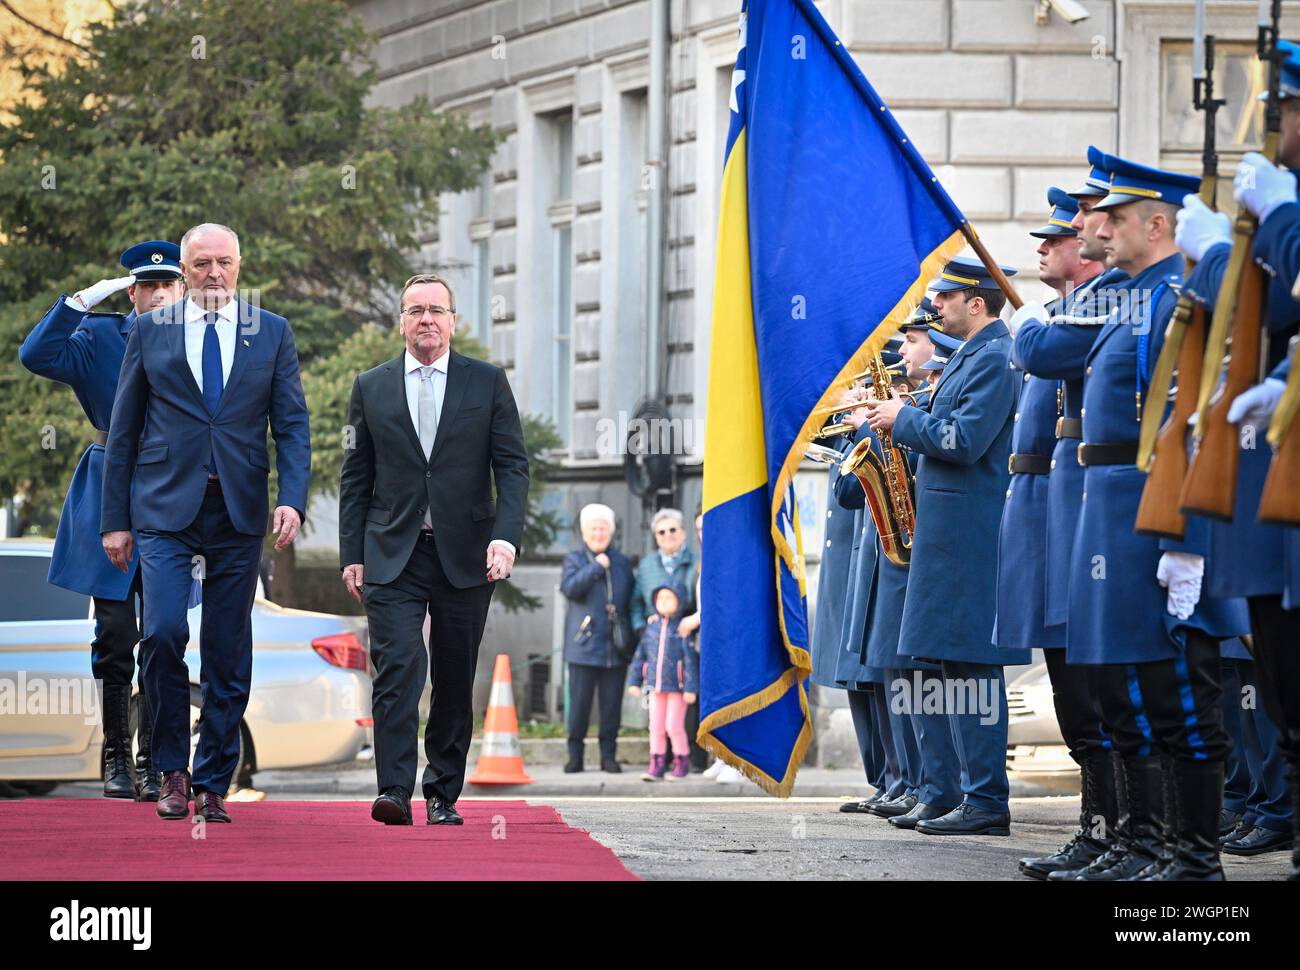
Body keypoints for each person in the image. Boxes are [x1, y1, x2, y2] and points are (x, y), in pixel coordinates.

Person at [1044, 157, 1250, 881]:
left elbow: (1186, 416)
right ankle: (1144, 846)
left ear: (1158, 224)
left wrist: (1187, 533)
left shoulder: (1170, 296)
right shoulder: (1131, 296)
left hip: (1148, 508)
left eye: (1117, 217)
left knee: (1170, 689)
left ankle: (1190, 859)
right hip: (1115, 504)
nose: (1100, 226)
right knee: (1119, 686)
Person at [101, 224, 311, 823]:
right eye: (201, 264)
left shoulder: (270, 333)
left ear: (239, 266)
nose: (213, 273)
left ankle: (213, 780)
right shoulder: (150, 330)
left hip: (239, 511)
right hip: (164, 511)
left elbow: (292, 426)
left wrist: (291, 498)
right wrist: (115, 520)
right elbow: (124, 431)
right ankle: (170, 770)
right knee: (164, 632)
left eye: (223, 263)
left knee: (227, 647)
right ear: (185, 271)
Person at [338, 272, 529, 827]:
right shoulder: (371, 386)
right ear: (401, 321)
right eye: (415, 309)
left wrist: (505, 536)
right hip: (391, 552)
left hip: (466, 553)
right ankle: (394, 791)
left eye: (436, 310)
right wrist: (353, 553)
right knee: (397, 666)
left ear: (452, 321)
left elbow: (512, 467)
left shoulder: (486, 382)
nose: (426, 319)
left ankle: (442, 792)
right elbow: (356, 478)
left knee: (452, 673)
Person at [19, 240, 185, 802]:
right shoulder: (101, 335)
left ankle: (156, 761)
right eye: (148, 287)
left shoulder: (201, 339)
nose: (160, 295)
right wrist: (86, 300)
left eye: (169, 286)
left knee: (165, 635)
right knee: (116, 634)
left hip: (172, 490)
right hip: (110, 482)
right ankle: (116, 756)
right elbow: (36, 356)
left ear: (182, 291)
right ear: (132, 293)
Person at [865, 255, 1023, 837]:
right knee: (953, 664)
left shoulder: (993, 358)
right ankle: (967, 795)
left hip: (969, 536)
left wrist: (903, 417)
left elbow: (962, 440)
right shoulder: (975, 357)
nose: (936, 308)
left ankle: (985, 799)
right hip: (950, 536)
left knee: (973, 666)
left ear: (975, 303)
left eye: (945, 299)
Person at [996, 186, 1112, 878]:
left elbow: (1039, 354)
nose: (1044, 247)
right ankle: (1099, 830)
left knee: (1095, 683)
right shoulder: (1063, 312)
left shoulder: (1094, 307)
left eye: (1059, 236)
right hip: (1042, 498)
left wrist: (1033, 321)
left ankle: (1114, 830)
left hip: (1076, 496)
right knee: (1069, 677)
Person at [559, 503, 634, 774]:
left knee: (611, 707)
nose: (599, 533)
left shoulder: (623, 562)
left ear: (611, 532)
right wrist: (596, 568)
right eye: (594, 528)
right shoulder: (575, 560)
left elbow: (629, 601)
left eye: (604, 528)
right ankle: (575, 756)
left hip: (615, 647)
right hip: (583, 646)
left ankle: (608, 756)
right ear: (585, 532)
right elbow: (569, 588)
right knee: (579, 707)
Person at [627, 581, 699, 781]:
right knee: (656, 727)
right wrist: (634, 681)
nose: (664, 602)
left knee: (674, 726)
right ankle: (656, 764)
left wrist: (691, 688)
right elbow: (640, 655)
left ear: (680, 601)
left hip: (678, 687)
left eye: (669, 598)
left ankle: (681, 761)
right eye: (660, 598)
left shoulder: (683, 629)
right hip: (655, 687)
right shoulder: (651, 628)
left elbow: (690, 661)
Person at [631, 508, 697, 637]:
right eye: (661, 532)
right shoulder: (646, 565)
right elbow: (636, 603)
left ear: (683, 532)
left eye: (673, 530)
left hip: (688, 640)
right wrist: (641, 629)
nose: (667, 535)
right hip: (654, 643)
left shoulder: (698, 563)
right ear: (656, 538)